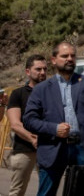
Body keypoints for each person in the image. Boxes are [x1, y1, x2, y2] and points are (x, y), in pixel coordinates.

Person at [23, 42, 84, 196]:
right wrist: (54, 129)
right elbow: (29, 120)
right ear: (53, 60)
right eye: (64, 56)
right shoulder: (41, 89)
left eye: (72, 56)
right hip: (52, 148)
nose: (69, 59)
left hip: (82, 149)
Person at [6, 54, 47, 196]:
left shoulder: (53, 94)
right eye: (38, 69)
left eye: (45, 69)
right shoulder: (18, 94)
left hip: (48, 150)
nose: (42, 72)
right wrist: (33, 139)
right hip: (24, 150)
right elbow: (15, 124)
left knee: (47, 190)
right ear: (28, 72)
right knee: (17, 191)